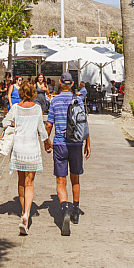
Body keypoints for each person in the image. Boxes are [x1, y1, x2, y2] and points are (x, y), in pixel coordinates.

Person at [1, 79, 51, 235]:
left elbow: (5, 122)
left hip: (18, 149)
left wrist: (16, 125)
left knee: (21, 182)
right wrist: (47, 143)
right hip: (32, 149)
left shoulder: (16, 108)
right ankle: (26, 215)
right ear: (34, 93)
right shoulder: (37, 109)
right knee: (30, 183)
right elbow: (42, 130)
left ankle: (23, 212)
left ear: (21, 93)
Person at [45, 71, 91, 236]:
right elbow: (84, 122)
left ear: (60, 84)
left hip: (60, 143)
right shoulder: (78, 99)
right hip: (76, 143)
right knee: (75, 178)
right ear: (72, 84)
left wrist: (46, 140)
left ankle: (64, 208)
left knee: (61, 180)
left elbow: (49, 124)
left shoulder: (55, 101)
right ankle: (76, 211)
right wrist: (88, 144)